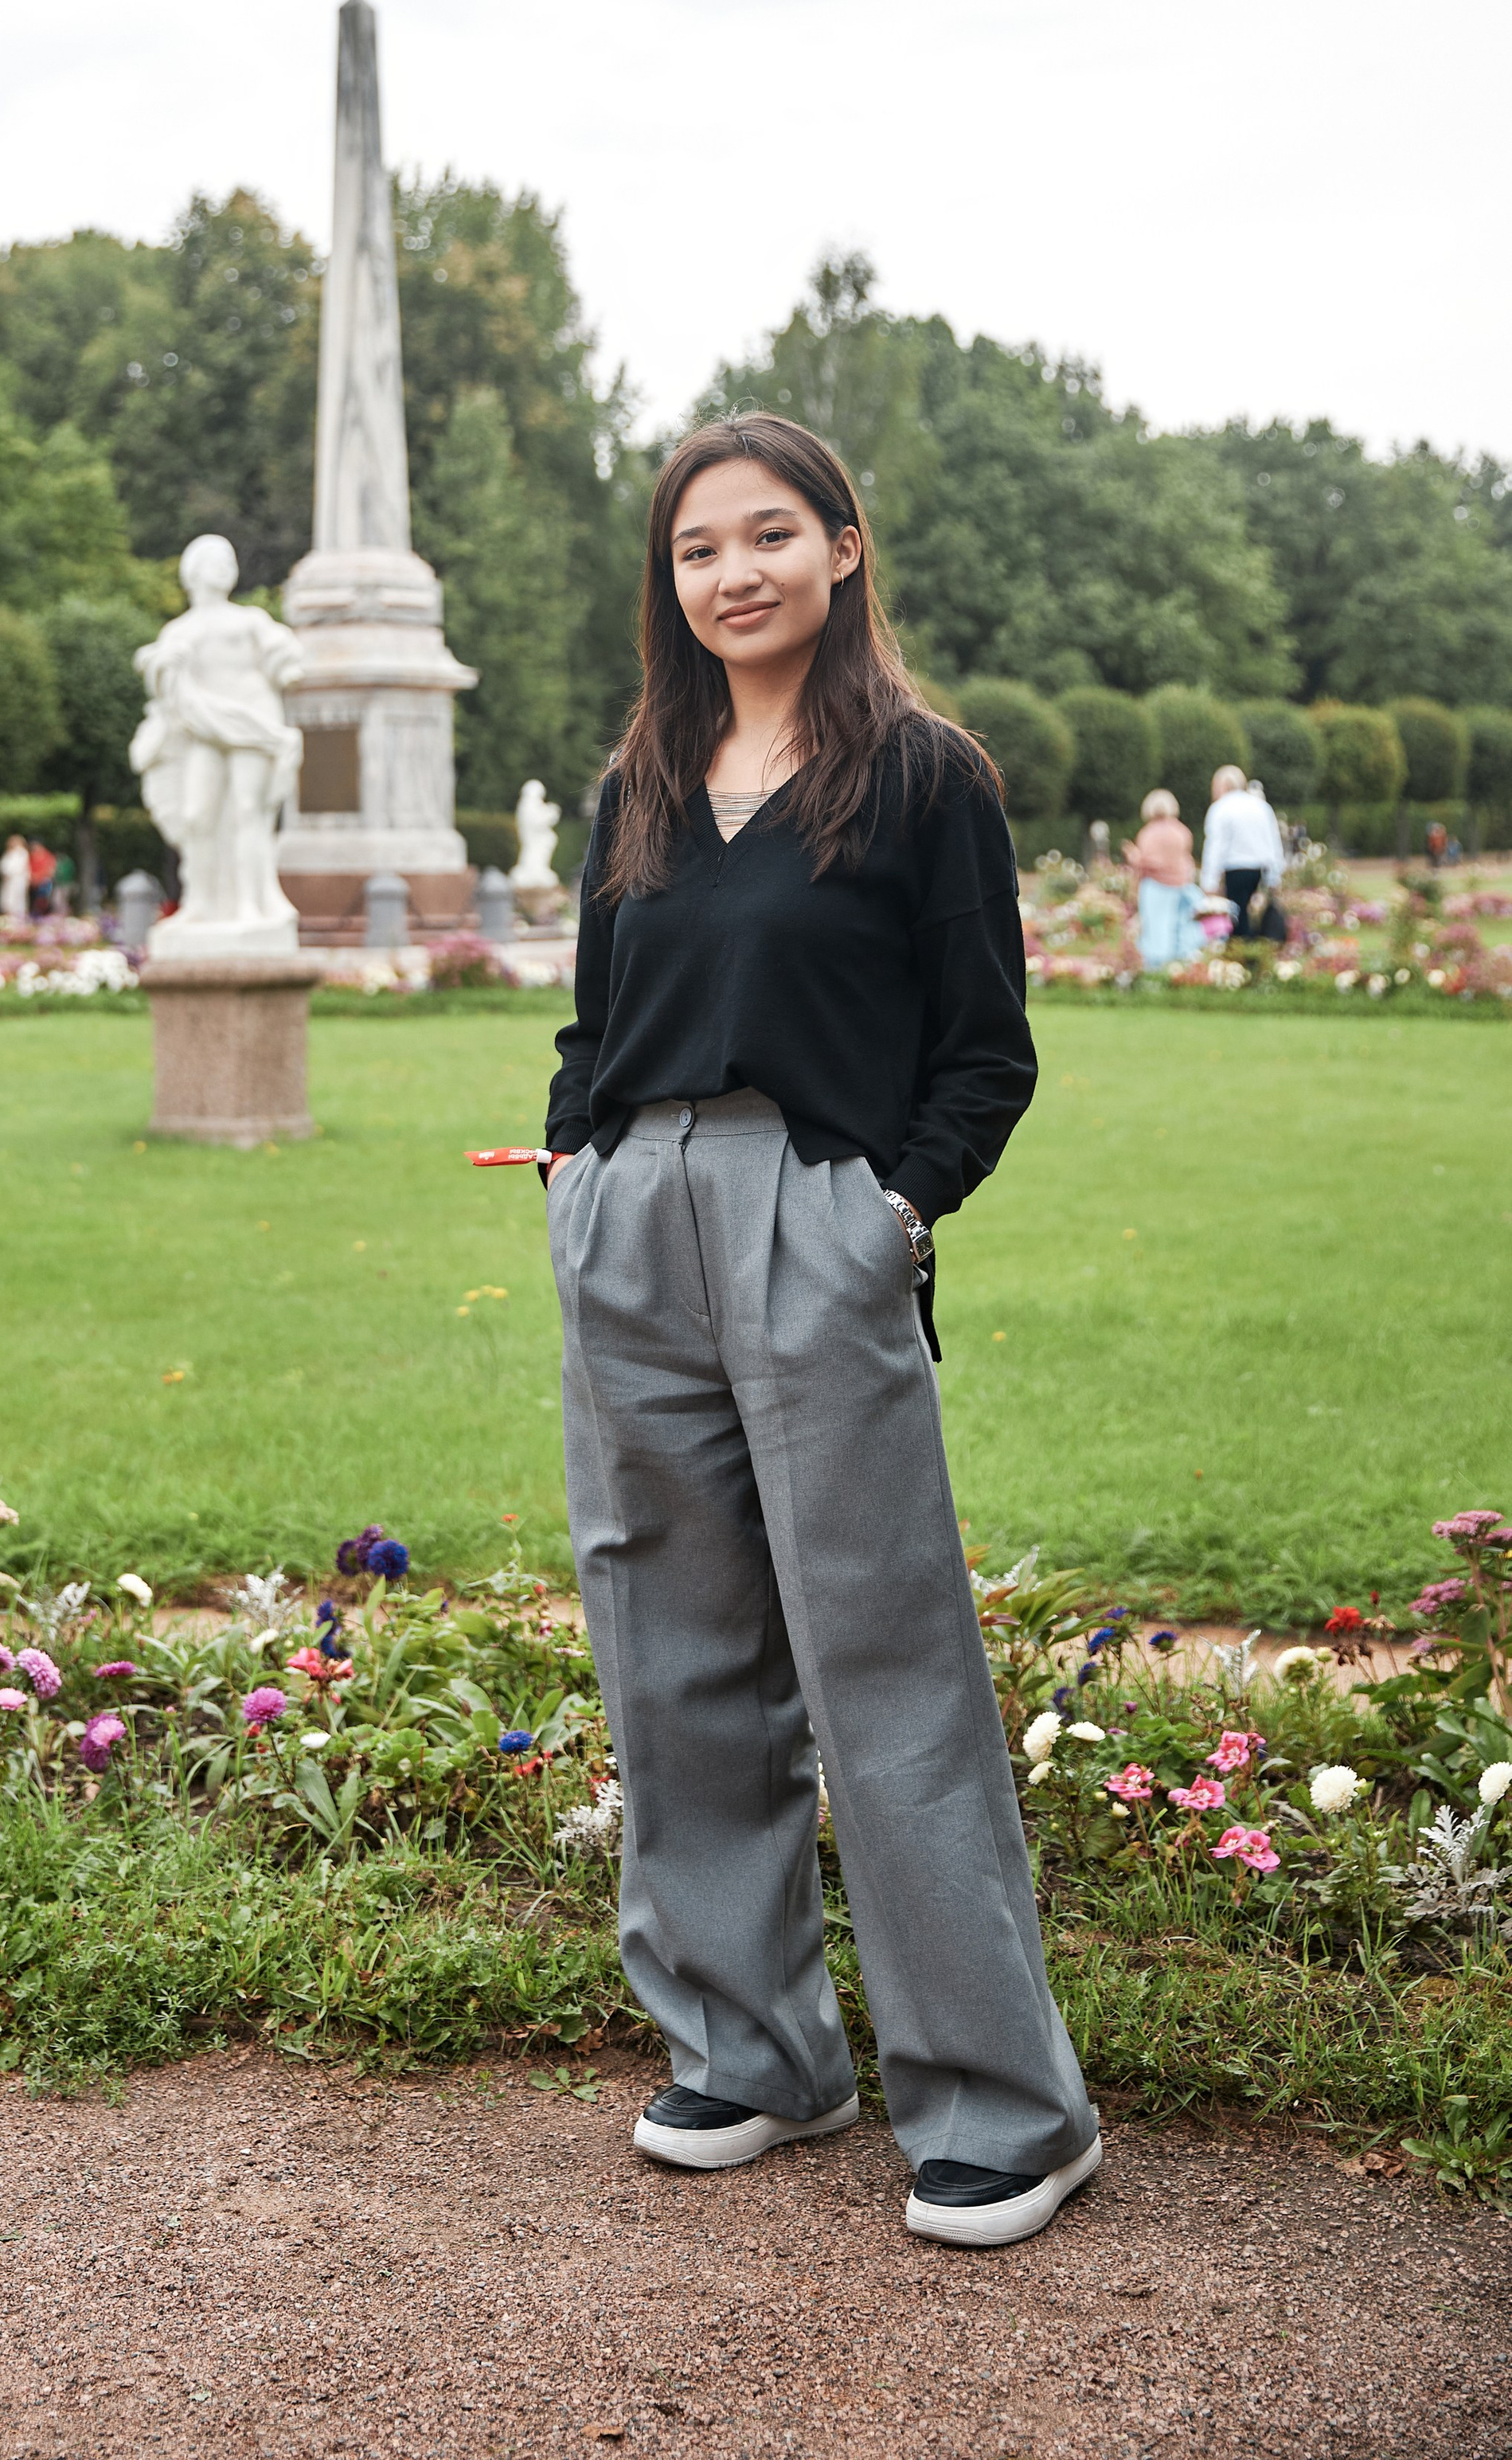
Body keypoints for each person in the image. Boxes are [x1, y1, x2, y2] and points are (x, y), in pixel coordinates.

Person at [542, 413, 1099, 2253]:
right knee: (668, 1637)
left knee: (882, 1656)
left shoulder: (922, 775)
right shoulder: (643, 766)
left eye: (767, 534)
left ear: (842, 549)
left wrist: (890, 1210)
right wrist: (572, 1170)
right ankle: (752, 2047)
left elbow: (983, 1046)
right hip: (632, 1213)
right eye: (696, 548)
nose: (731, 574)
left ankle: (1001, 2107)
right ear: (667, 579)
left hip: (813, 1211)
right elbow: (589, 1017)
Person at [1199, 766, 1283, 940]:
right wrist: (1275, 876)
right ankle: (1256, 945)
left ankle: (1243, 950)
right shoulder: (1261, 806)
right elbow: (1273, 841)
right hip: (1259, 868)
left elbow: (1215, 847)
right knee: (1254, 914)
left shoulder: (1220, 808)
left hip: (1235, 869)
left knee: (1238, 917)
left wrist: (1209, 882)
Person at [1123, 788, 1199, 968]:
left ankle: (1156, 966)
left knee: (1156, 927)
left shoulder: (1149, 833)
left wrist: (1133, 855)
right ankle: (1178, 964)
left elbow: (1146, 862)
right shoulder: (1182, 831)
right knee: (1176, 925)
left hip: (1156, 885)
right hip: (1179, 885)